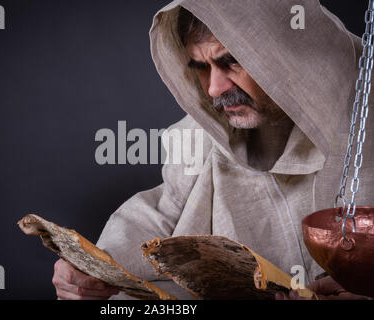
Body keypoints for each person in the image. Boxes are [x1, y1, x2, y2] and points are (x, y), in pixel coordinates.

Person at [52, 0, 374, 300]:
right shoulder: (201, 133)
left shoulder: (366, 111)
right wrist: (94, 264)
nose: (214, 88)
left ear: (284, 53)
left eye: (230, 61)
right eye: (201, 66)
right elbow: (169, 208)